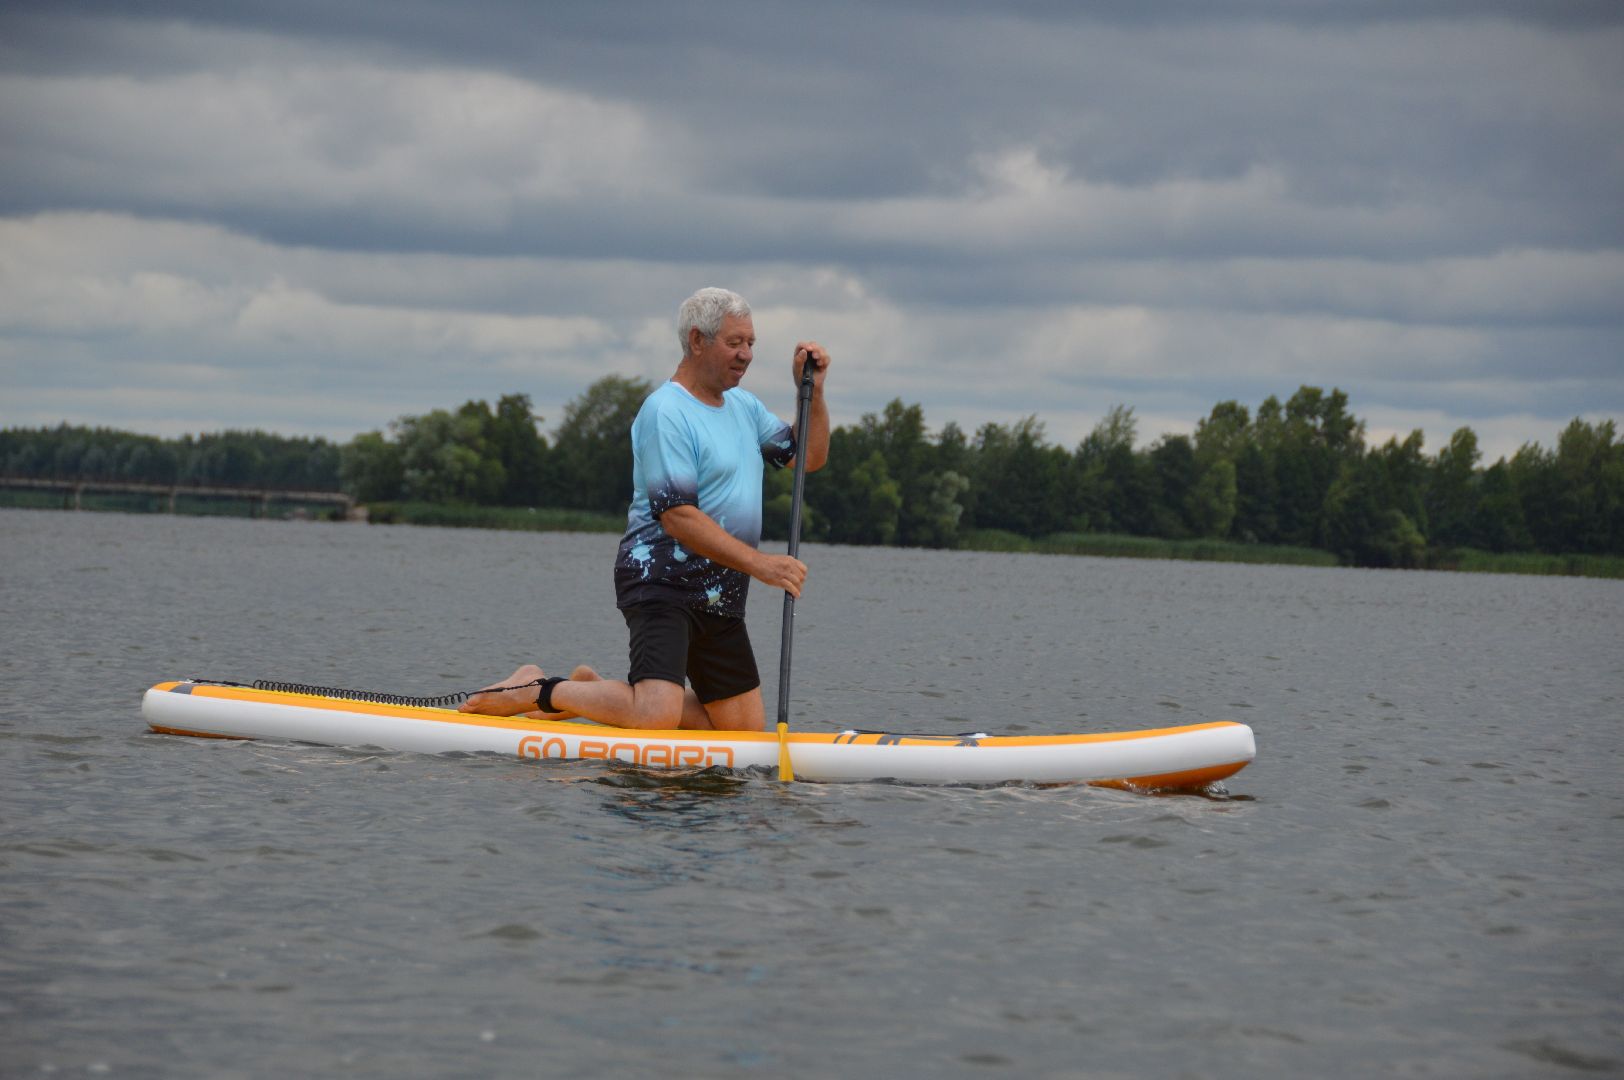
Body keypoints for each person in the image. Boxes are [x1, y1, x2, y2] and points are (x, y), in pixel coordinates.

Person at [459, 287, 830, 731]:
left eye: (751, 343)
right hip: (661, 581)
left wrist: (813, 392)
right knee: (656, 715)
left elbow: (808, 458)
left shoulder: (745, 408)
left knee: (741, 732)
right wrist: (762, 565)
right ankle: (538, 688)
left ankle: (595, 693)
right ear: (697, 340)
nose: (746, 354)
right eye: (735, 343)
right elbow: (678, 517)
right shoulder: (665, 412)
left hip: (720, 591)